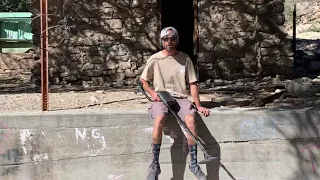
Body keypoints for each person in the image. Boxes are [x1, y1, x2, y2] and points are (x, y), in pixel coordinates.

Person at [139, 26, 211, 180]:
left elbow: (192, 83)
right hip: (162, 98)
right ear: (162, 41)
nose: (169, 42)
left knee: (191, 120)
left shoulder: (185, 59)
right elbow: (143, 80)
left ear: (177, 40)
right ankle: (155, 165)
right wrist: (153, 94)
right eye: (166, 39)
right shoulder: (155, 59)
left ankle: (193, 163)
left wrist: (198, 105)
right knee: (159, 119)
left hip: (181, 98)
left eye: (172, 39)